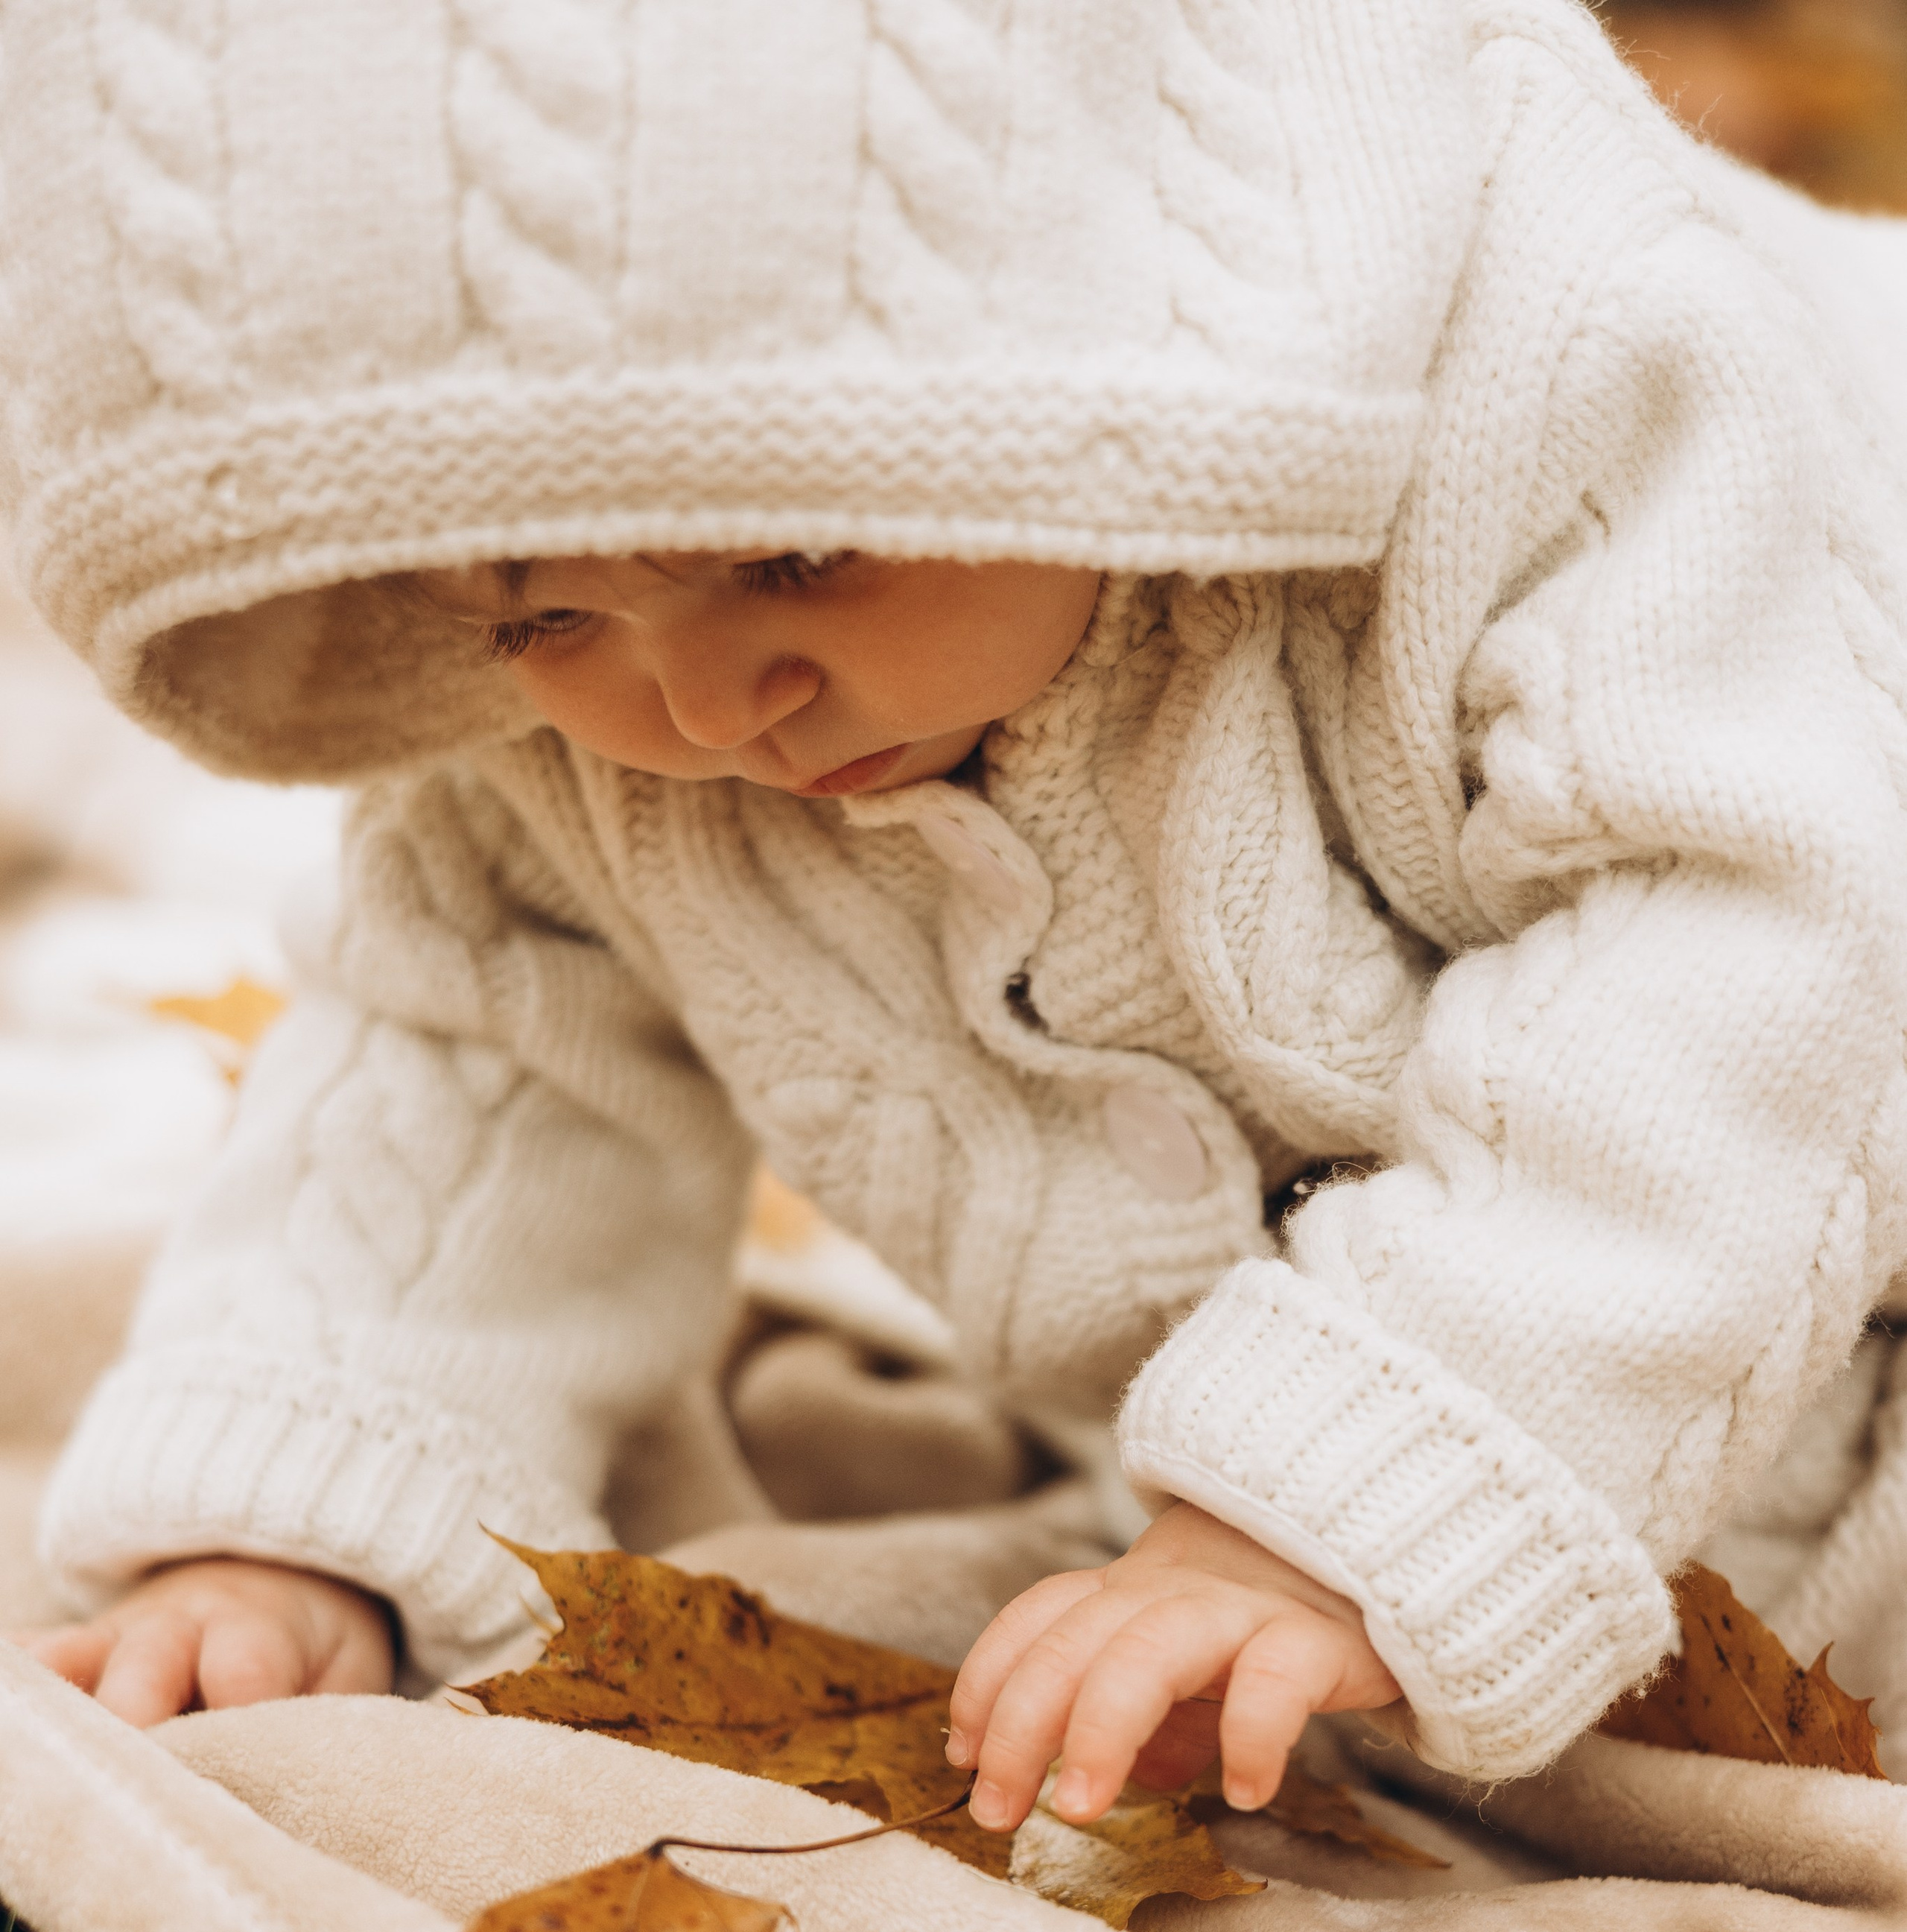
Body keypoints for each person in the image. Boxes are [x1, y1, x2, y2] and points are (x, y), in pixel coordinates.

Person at [7, 0, 1907, 1828]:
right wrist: (296, 1516)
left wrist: (1340, 1489)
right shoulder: (579, 705)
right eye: (539, 613)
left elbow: (1745, 943)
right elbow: (479, 1051)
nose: (694, 706)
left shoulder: (1566, 378)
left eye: (791, 557)